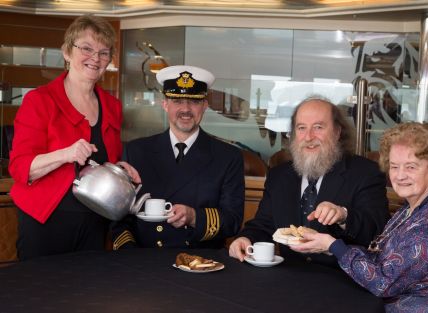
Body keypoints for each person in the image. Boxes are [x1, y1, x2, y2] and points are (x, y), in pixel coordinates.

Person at [291, 122, 428, 312]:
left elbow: (382, 283)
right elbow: (384, 258)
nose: (400, 176)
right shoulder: (415, 206)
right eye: (394, 166)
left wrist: (333, 246)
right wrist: (329, 247)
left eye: (411, 167)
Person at [8, 14, 140, 260]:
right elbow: (19, 168)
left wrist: (120, 169)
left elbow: (102, 161)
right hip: (46, 220)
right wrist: (65, 154)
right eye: (87, 49)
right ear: (67, 52)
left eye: (103, 52)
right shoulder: (39, 101)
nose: (95, 58)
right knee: (41, 294)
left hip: (95, 220)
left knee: (87, 295)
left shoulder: (112, 105)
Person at [229, 96, 390, 265]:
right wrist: (246, 238)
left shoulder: (365, 173)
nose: (308, 137)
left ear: (337, 132)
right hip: (288, 277)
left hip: (341, 281)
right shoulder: (279, 176)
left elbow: (376, 232)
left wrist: (344, 216)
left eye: (318, 127)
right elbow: (263, 225)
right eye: (301, 128)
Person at [111, 65, 245, 250]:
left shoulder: (228, 157)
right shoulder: (136, 151)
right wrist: (129, 254)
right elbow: (119, 216)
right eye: (177, 101)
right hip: (145, 261)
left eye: (194, 101)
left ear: (205, 106)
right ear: (164, 104)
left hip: (200, 263)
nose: (185, 109)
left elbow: (232, 221)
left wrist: (194, 217)